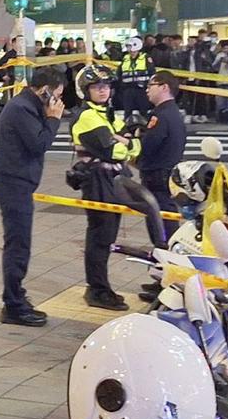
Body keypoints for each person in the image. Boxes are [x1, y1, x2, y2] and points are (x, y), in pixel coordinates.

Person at [0, 66, 66, 326]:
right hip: (14, 185)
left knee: (19, 242)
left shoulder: (27, 106)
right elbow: (40, 143)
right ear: (45, 90)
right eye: (57, 95)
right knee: (18, 245)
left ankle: (16, 296)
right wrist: (54, 118)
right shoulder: (21, 108)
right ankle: (13, 305)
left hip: (18, 183)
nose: (59, 101)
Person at [70, 64, 134, 310]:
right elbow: (113, 149)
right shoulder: (87, 116)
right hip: (97, 181)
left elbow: (128, 145)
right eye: (96, 87)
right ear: (85, 90)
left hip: (111, 181)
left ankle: (100, 287)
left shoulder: (106, 113)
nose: (103, 91)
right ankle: (97, 290)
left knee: (106, 237)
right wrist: (125, 142)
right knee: (100, 237)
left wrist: (125, 142)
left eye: (106, 86)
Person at [139, 72, 187, 223]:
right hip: (167, 173)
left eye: (150, 86)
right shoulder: (173, 112)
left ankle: (164, 245)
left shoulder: (161, 115)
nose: (147, 90)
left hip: (157, 176)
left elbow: (147, 146)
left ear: (164, 87)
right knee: (166, 215)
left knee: (160, 220)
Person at [114, 35, 154, 123]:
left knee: (143, 111)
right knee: (127, 112)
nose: (129, 50)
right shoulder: (125, 58)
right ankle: (127, 129)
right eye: (128, 47)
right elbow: (120, 73)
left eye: (130, 47)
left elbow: (152, 73)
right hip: (128, 90)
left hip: (141, 89)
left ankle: (145, 128)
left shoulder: (145, 58)